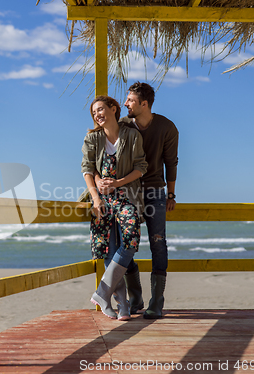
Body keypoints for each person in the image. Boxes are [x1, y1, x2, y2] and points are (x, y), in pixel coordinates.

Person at [97, 82, 179, 319]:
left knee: (158, 242)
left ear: (144, 104)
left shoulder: (167, 127)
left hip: (154, 190)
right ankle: (135, 297)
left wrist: (171, 194)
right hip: (127, 191)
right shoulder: (122, 125)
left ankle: (157, 301)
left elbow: (171, 162)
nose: (126, 104)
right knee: (126, 244)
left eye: (130, 100)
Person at [81, 95, 147, 320]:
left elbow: (141, 167)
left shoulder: (131, 135)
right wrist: (96, 197)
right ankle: (123, 306)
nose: (97, 115)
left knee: (130, 240)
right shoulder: (92, 138)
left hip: (127, 196)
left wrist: (118, 182)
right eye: (93, 113)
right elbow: (87, 169)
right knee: (108, 249)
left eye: (100, 109)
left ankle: (102, 292)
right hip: (102, 200)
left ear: (113, 108)